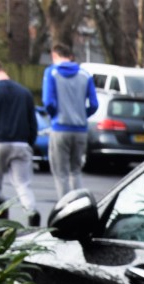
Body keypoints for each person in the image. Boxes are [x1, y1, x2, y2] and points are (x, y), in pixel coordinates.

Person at [0, 59, 41, 226]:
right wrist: (30, 142)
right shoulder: (24, 93)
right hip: (21, 144)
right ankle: (31, 211)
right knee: (23, 184)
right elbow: (32, 122)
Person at [42, 43, 98, 199]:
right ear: (70, 56)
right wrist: (82, 115)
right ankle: (78, 204)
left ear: (55, 56)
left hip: (60, 128)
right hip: (80, 130)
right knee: (75, 171)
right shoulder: (85, 75)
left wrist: (55, 116)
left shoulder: (51, 72)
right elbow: (94, 104)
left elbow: (48, 102)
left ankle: (65, 207)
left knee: (61, 173)